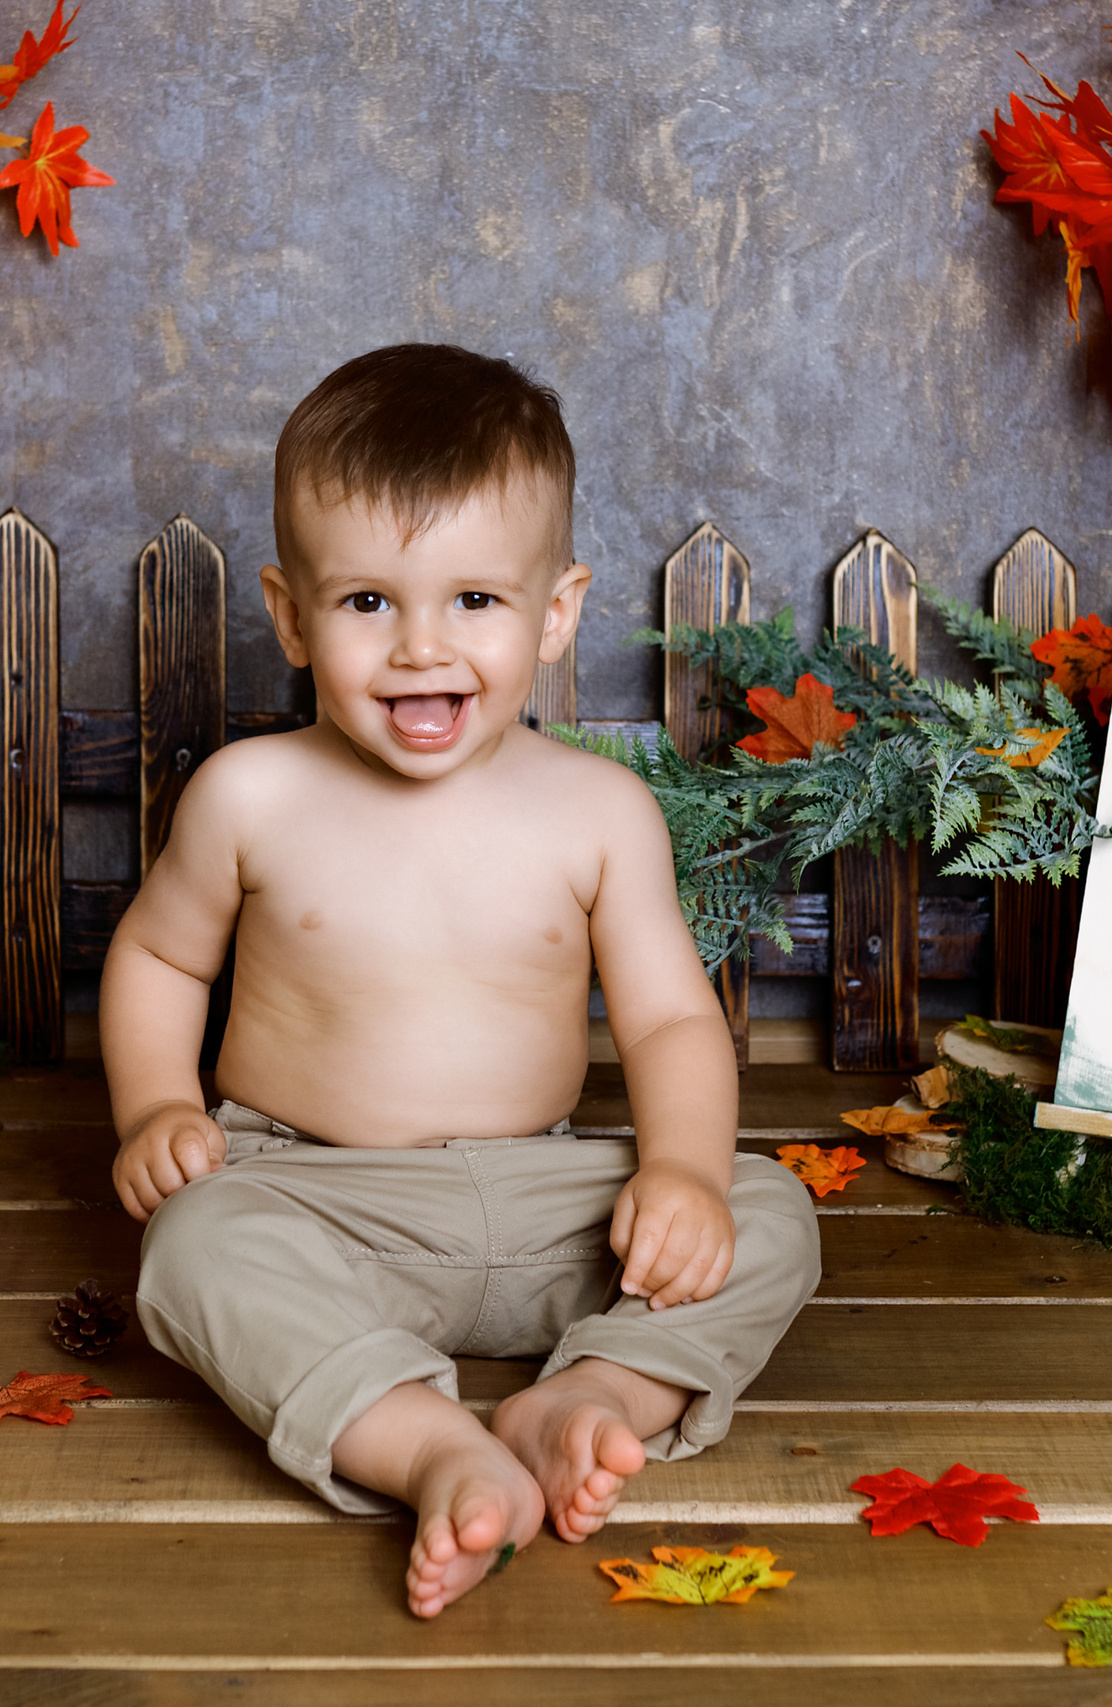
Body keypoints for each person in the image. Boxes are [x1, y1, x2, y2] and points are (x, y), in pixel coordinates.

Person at [101, 343, 819, 1618]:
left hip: (546, 1198)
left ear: (554, 613)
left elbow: (664, 1020)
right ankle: (424, 1443)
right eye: (368, 602)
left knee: (767, 1214)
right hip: (317, 1197)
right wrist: (159, 1106)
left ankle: (592, 1397)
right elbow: (159, 954)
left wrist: (686, 1176)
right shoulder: (250, 796)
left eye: (475, 601)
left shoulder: (598, 812)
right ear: (289, 612)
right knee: (192, 1245)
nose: (421, 647)